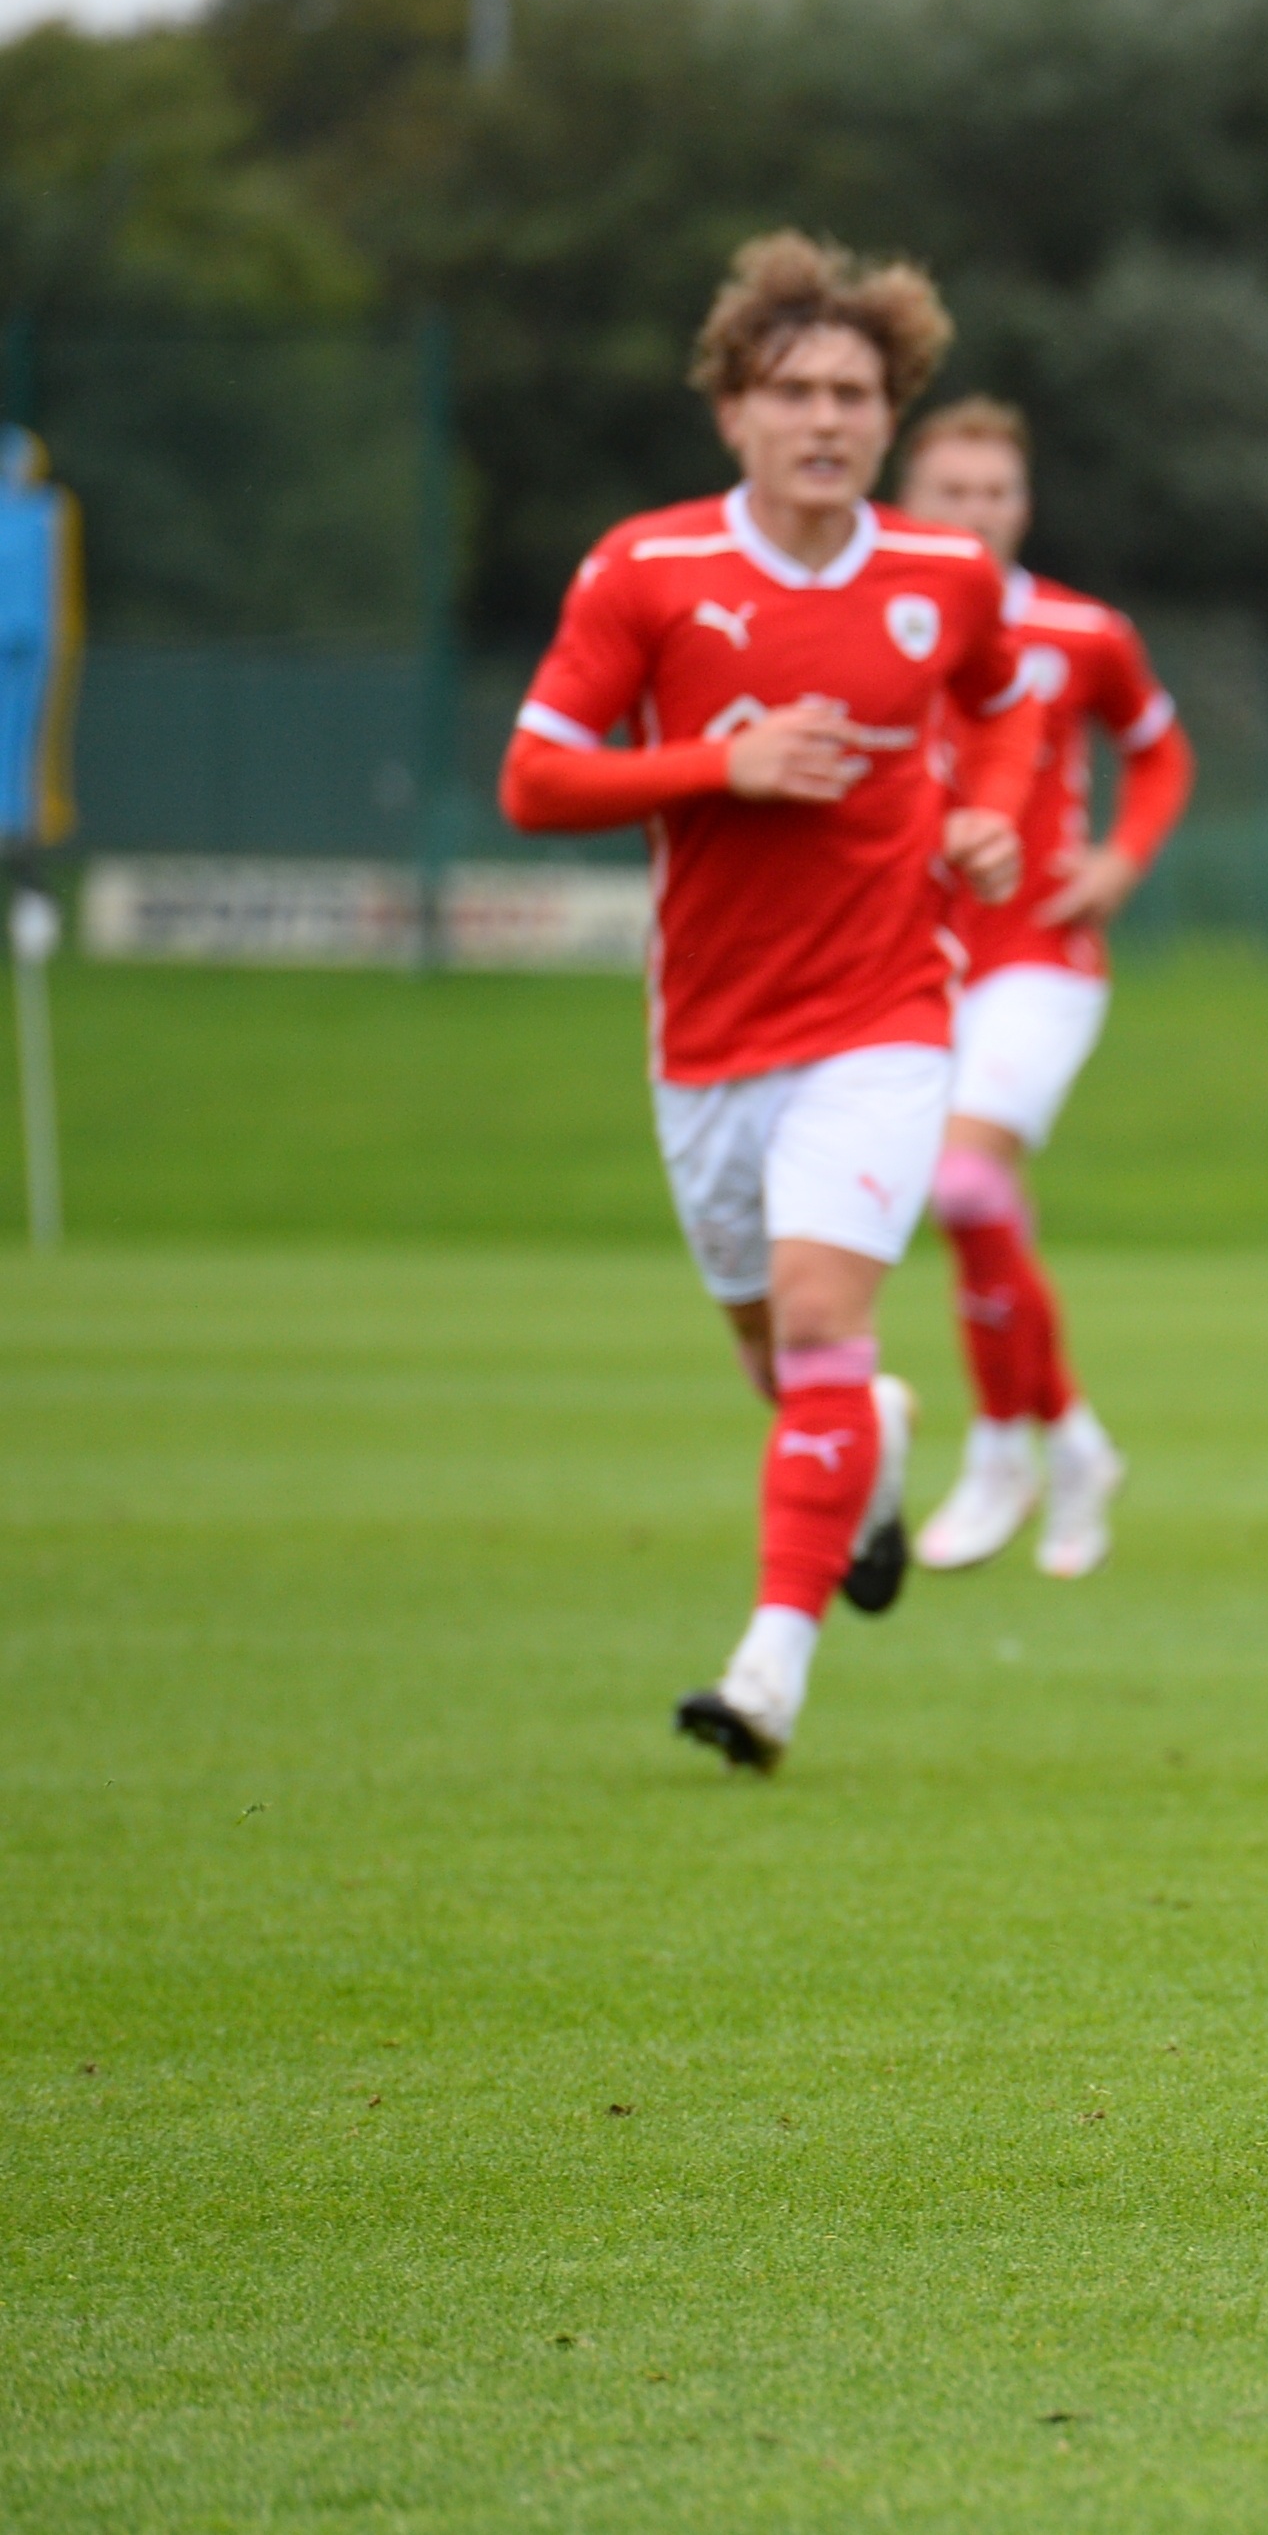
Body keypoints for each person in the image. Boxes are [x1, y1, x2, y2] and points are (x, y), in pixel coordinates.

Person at [497, 231, 1032, 1772]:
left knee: (815, 1323)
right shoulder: (646, 569)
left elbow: (1002, 711)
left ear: (890, 413)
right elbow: (535, 775)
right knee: (780, 1363)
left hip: (881, 1023)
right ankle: (873, 1457)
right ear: (733, 408)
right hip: (706, 1046)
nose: (824, 417)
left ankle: (766, 1675)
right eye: (790, 388)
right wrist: (712, 764)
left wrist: (989, 814)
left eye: (853, 392)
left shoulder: (942, 576)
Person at [881, 398, 1199, 1575]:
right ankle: (1074, 1442)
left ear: (1023, 506)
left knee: (964, 1187)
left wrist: (1117, 861)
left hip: (1038, 958)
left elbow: (1159, 749)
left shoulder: (1079, 631)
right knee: (977, 1207)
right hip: (905, 960)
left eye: (995, 493)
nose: (975, 514)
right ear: (906, 504)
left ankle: (1005, 1445)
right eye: (951, 493)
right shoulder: (877, 623)